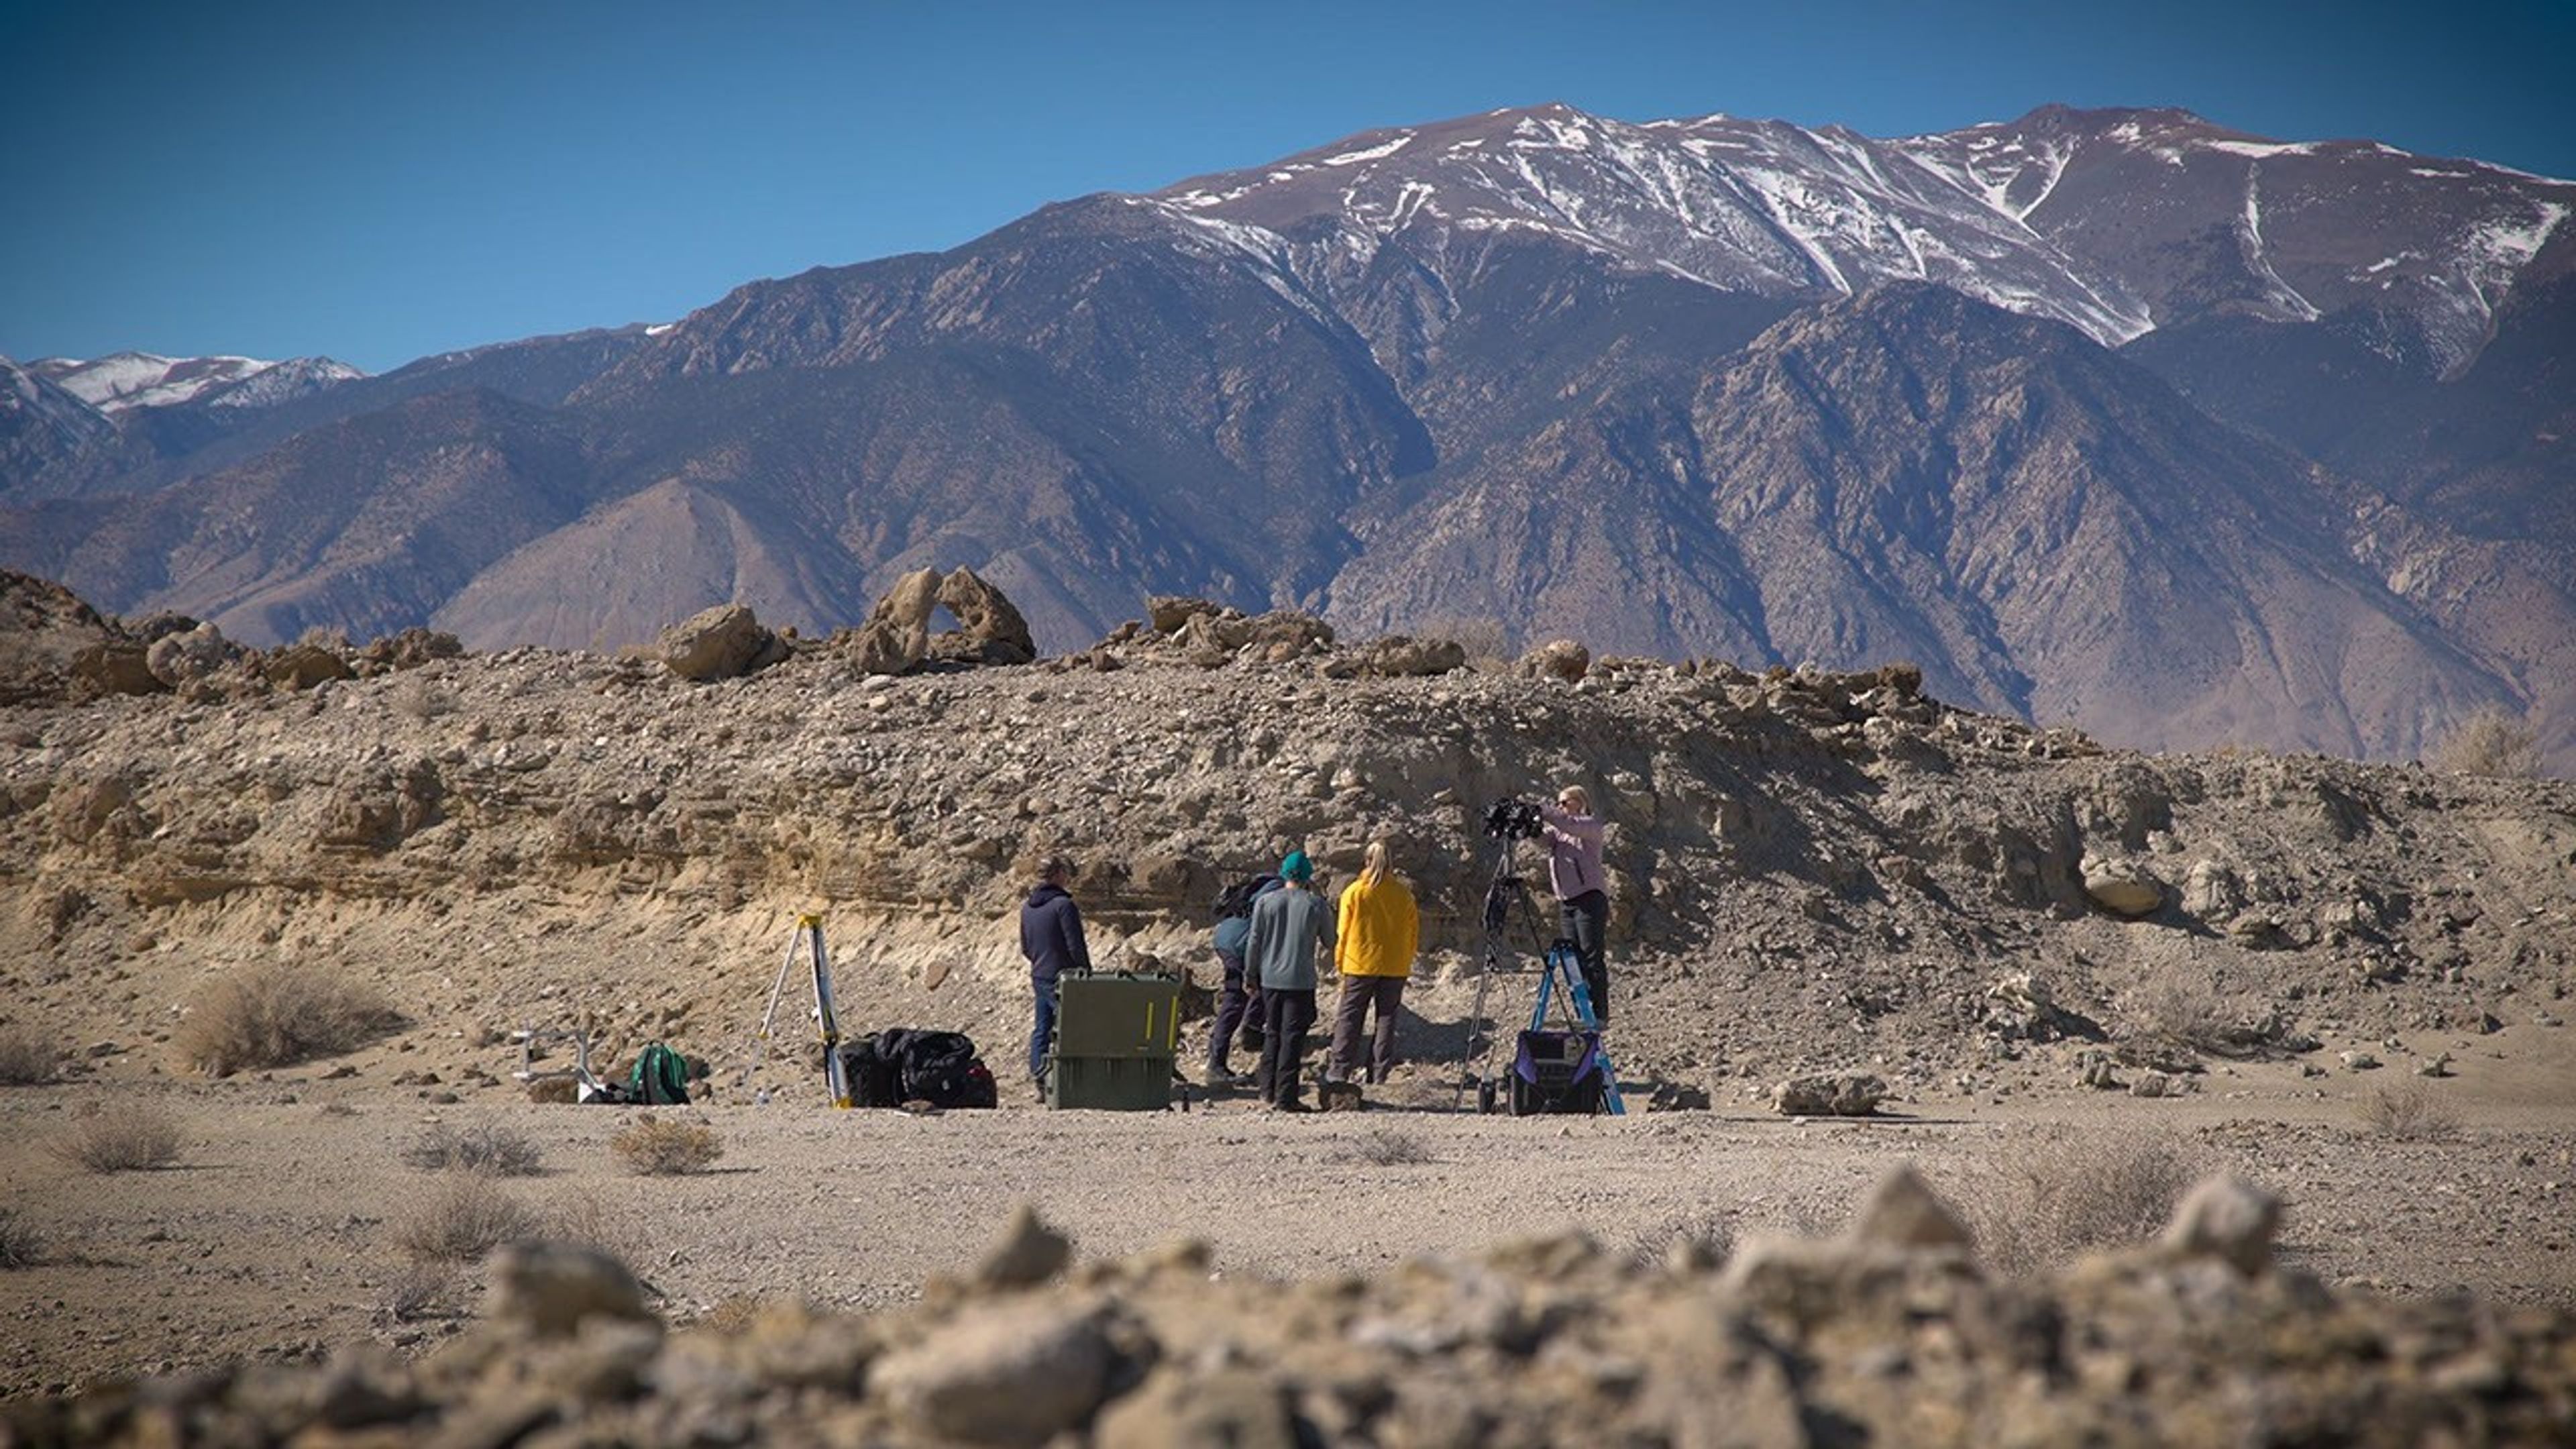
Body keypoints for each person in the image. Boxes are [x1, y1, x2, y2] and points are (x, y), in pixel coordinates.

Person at [1243, 849, 1334, 1111]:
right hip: (1301, 981)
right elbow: (1331, 941)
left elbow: (1254, 941)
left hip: (1269, 979)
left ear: (1283, 873)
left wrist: (1251, 975)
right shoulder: (1316, 904)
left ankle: (1267, 1090)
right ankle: (1287, 1097)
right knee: (1292, 1038)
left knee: (1272, 1033)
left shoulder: (1265, 902)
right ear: (1308, 876)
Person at [1330, 840, 1419, 1085]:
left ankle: (1339, 1071)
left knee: (1350, 1017)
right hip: (1395, 965)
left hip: (1359, 963)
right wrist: (1406, 959)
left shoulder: (1355, 892)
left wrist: (1340, 963)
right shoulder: (1404, 894)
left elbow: (1343, 932)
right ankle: (1379, 1074)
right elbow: (1413, 933)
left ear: (1366, 861)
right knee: (1387, 1018)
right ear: (1391, 863)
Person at [1539, 785, 1611, 1024]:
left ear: (1580, 802)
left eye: (1565, 802)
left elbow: (1570, 825)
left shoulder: (1590, 826)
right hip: (1567, 901)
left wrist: (1545, 811)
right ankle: (1583, 1013)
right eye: (1558, 803)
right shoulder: (1559, 833)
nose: (1560, 807)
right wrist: (1528, 823)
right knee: (1574, 960)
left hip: (1589, 897)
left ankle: (1599, 1014)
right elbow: (1541, 839)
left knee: (1591, 956)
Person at [1018, 855, 1090, 1088]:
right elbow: (1075, 945)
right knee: (1072, 1028)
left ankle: (1040, 1078)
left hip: (1039, 973)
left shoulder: (1028, 907)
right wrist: (1085, 972)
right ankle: (1069, 1082)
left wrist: (1040, 962)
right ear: (1058, 874)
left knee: (1042, 1028)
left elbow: (1026, 947)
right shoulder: (1064, 905)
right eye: (1065, 872)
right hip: (1064, 977)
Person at [1208, 872, 1282, 1084]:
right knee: (1236, 998)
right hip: (1239, 944)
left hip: (1226, 937)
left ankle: (1251, 1031)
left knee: (1257, 986)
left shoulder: (1262, 884)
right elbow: (1261, 930)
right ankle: (1216, 1063)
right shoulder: (1277, 891)